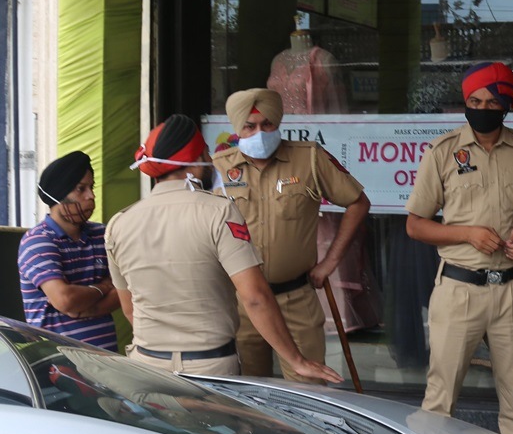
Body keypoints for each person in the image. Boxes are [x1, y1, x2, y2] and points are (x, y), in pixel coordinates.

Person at [105, 114, 341, 384]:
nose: (210, 160)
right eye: (205, 152)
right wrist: (297, 361)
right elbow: (254, 297)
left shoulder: (119, 223)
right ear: (193, 163)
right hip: (208, 368)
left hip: (146, 365)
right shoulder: (219, 212)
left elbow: (130, 309)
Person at [406, 62, 513, 434]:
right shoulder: (442, 152)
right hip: (459, 289)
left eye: (491, 101)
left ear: (506, 105)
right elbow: (416, 224)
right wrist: (467, 234)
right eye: (474, 100)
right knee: (439, 402)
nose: (482, 108)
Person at [213, 88, 371, 383]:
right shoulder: (219, 168)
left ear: (278, 123)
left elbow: (357, 202)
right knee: (246, 393)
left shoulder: (309, 158)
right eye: (250, 126)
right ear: (237, 128)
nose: (260, 132)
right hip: (240, 304)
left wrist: (329, 262)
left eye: (267, 124)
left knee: (310, 393)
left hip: (295, 299)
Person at [17, 151, 120, 350]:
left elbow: (127, 289)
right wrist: (104, 287)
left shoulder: (103, 234)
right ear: (58, 195)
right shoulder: (38, 241)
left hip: (108, 365)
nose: (91, 196)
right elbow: (65, 300)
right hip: (58, 367)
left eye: (91, 187)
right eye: (81, 189)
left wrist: (88, 309)